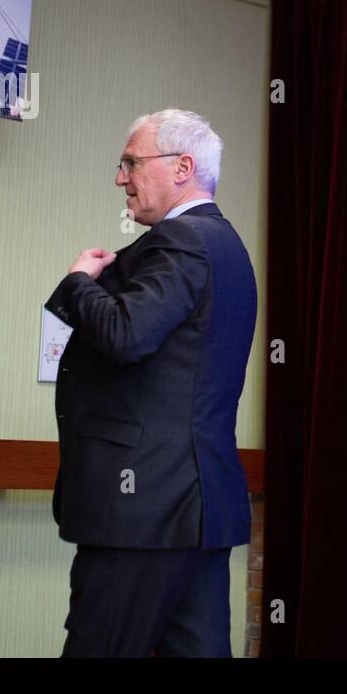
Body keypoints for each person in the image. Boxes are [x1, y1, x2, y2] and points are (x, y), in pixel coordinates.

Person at [44, 108, 257, 657]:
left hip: (142, 511)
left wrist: (77, 284)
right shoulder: (227, 246)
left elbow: (125, 334)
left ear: (183, 166)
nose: (120, 178)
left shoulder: (181, 240)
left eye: (132, 162)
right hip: (196, 511)